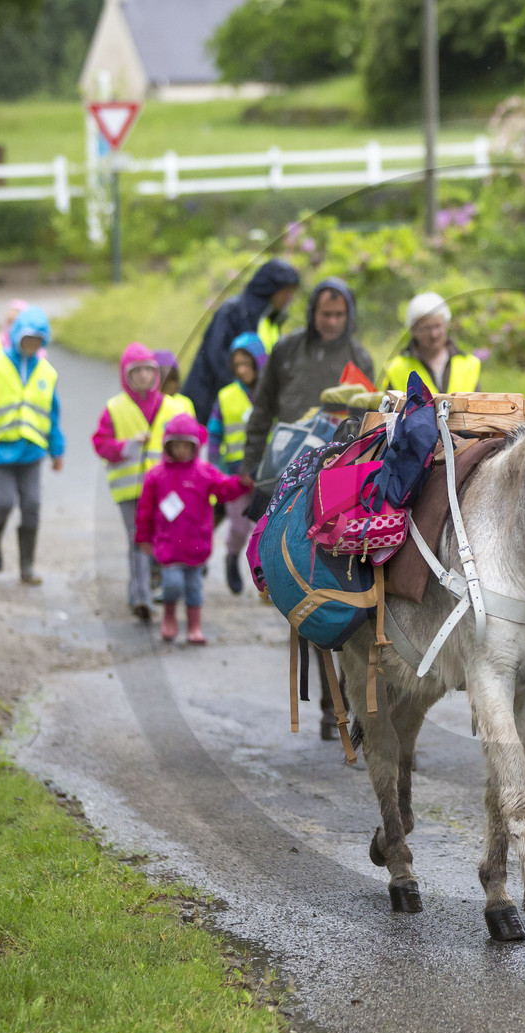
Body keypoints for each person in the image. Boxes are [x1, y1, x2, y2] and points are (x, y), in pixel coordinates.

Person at [241, 278, 372, 741]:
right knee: (302, 592)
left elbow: (368, 424)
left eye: (339, 316)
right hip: (285, 479)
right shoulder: (287, 351)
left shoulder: (361, 358)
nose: (331, 322)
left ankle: (343, 699)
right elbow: (262, 411)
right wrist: (250, 465)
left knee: (342, 591)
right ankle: (328, 704)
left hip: (337, 487)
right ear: (312, 313)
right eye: (324, 314)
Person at [0, 306, 64, 586]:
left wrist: (57, 449)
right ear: (16, 336)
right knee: (4, 501)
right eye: (27, 338)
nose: (31, 345)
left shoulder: (47, 372)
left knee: (32, 504)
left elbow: (52, 414)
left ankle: (27, 566)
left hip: (31, 452)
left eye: (37, 340)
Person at [92, 343, 195, 620]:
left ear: (155, 373)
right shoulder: (114, 408)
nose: (143, 376)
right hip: (129, 491)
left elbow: (197, 438)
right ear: (126, 375)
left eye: (148, 370)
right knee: (138, 542)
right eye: (136, 371)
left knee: (162, 540)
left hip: (165, 491)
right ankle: (141, 597)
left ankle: (147, 590)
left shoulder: (172, 408)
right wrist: (126, 447)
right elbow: (100, 444)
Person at [136, 413, 248, 644]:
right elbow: (145, 511)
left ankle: (194, 626)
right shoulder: (156, 476)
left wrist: (242, 483)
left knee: (194, 588)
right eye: (175, 446)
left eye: (185, 446)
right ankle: (169, 617)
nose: (180, 451)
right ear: (167, 445)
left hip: (196, 545)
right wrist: (144, 538)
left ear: (194, 447)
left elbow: (224, 488)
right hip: (168, 547)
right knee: (172, 584)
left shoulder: (204, 472)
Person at [183, 259, 301, 422]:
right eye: (286, 291)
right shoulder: (234, 311)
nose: (289, 298)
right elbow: (217, 357)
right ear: (271, 289)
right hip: (209, 404)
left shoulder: (270, 320)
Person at [206, 332, 264, 594]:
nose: (242, 370)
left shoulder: (269, 395)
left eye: (247, 364)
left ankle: (265, 578)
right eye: (237, 364)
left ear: (259, 363)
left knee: (264, 528)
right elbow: (214, 435)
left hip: (267, 474)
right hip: (236, 475)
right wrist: (216, 469)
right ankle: (231, 557)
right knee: (239, 526)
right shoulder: (226, 396)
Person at [377, 291, 482, 394]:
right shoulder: (397, 369)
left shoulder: (468, 364)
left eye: (437, 326)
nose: (434, 334)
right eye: (426, 328)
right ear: (413, 330)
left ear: (447, 324)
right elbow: (388, 409)